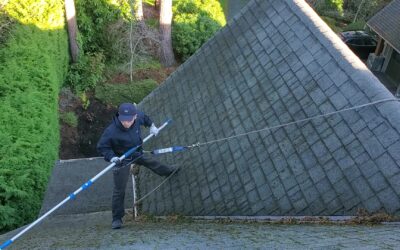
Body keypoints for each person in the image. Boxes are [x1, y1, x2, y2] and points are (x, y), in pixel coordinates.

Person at [97, 103, 178, 229]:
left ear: (134, 116)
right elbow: (103, 147)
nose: (126, 123)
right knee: (119, 190)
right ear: (119, 116)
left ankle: (168, 171)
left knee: (152, 162)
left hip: (136, 153)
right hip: (121, 160)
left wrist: (152, 126)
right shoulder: (111, 131)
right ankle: (117, 218)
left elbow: (145, 118)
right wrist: (111, 157)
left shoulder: (138, 116)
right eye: (123, 120)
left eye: (129, 120)